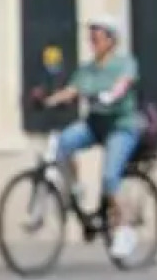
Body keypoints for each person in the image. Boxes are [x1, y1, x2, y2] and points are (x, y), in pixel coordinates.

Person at [37, 15, 144, 261]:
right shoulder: (87, 70)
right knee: (63, 143)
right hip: (95, 125)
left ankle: (125, 230)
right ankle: (75, 187)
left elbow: (124, 84)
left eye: (97, 36)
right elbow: (73, 90)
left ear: (110, 40)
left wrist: (112, 95)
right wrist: (48, 101)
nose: (93, 41)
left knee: (109, 177)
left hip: (121, 126)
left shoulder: (124, 63)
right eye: (91, 36)